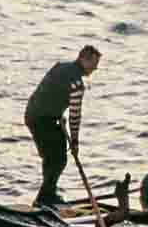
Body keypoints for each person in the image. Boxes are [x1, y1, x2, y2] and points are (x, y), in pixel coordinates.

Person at [25, 41, 102, 208]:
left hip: (32, 113)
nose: (95, 69)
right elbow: (75, 116)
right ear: (84, 60)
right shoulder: (77, 84)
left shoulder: (59, 66)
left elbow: (49, 91)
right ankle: (45, 197)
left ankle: (47, 195)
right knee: (58, 158)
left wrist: (58, 115)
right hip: (43, 119)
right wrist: (74, 141)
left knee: (51, 156)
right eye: (94, 64)